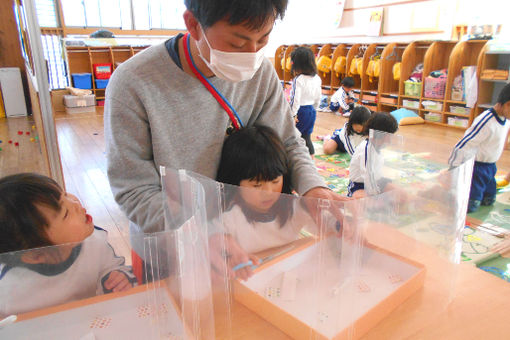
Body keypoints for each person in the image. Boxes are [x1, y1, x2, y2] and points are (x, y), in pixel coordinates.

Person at [104, 0, 347, 279]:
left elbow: (288, 142)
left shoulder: (261, 72)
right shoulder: (133, 82)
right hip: (171, 249)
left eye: (263, 39)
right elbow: (134, 189)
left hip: (247, 241)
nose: (252, 55)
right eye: (238, 44)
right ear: (193, 24)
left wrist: (313, 189)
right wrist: (199, 235)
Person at [0, 173, 136, 317]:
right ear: (36, 256)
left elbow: (112, 267)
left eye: (65, 195)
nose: (76, 204)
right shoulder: (7, 286)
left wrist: (117, 277)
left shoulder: (94, 241)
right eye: (65, 213)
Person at [216, 125, 317, 256]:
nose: (269, 192)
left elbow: (326, 219)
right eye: (257, 185)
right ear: (235, 183)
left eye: (275, 181)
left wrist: (342, 224)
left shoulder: (293, 208)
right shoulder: (229, 219)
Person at [449, 83, 510, 213]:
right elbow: (465, 143)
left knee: (488, 200)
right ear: (508, 104)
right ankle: (453, 196)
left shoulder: (506, 119)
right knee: (471, 205)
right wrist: (454, 167)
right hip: (477, 168)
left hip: (491, 166)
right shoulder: (486, 121)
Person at [348, 112, 398, 198]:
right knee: (365, 201)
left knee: (400, 194)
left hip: (377, 182)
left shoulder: (378, 147)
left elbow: (378, 173)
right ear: (379, 134)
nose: (390, 140)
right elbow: (368, 177)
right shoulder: (366, 149)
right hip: (360, 186)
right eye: (388, 136)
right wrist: (379, 196)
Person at [289, 46, 322, 156]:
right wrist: (314, 109)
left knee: (294, 139)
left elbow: (295, 101)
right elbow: (318, 97)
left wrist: (292, 115)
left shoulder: (298, 80)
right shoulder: (317, 78)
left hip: (300, 112)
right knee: (307, 138)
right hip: (311, 111)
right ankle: (311, 163)